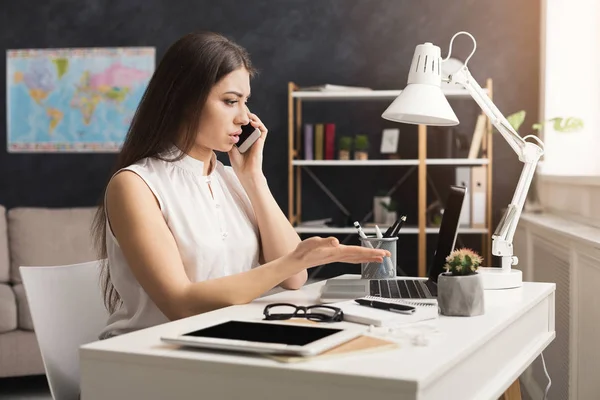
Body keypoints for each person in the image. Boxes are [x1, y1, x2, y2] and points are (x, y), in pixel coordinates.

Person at [92, 31, 389, 339]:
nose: (244, 117)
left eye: (245, 102)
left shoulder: (231, 179)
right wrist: (294, 260)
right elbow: (180, 304)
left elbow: (295, 278)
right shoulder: (136, 185)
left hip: (223, 342)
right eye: (230, 101)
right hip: (146, 355)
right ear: (183, 101)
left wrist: (253, 179)